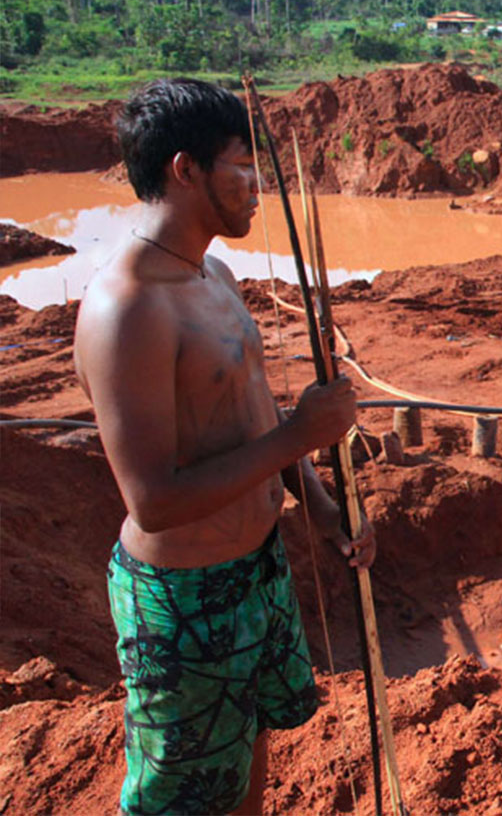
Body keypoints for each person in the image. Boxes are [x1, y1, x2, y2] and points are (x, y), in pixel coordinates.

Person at [74, 78, 376, 815]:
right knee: (180, 797)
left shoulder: (212, 272)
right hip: (185, 603)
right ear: (185, 170)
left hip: (255, 572)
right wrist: (299, 435)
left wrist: (325, 509)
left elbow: (253, 418)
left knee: (246, 762)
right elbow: (153, 501)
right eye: (242, 167)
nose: (255, 189)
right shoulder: (129, 309)